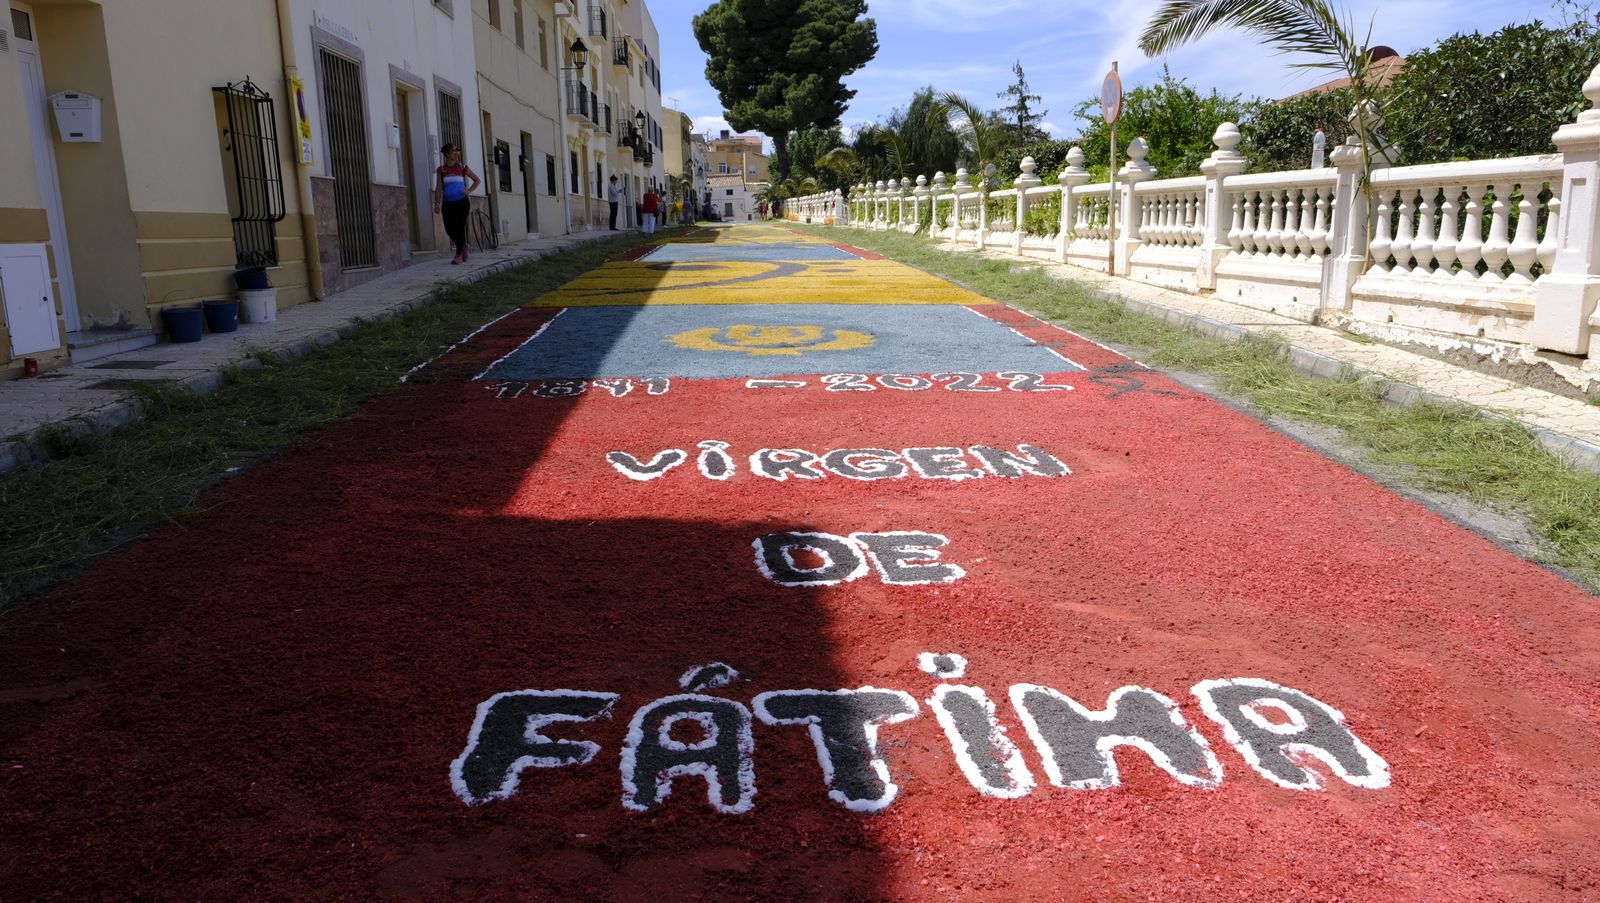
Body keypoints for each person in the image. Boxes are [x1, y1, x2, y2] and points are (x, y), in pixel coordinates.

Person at [433, 144, 481, 264]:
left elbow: (477, 180)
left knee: (459, 228)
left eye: (457, 151)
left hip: (462, 202)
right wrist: (437, 203)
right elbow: (439, 187)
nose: (456, 153)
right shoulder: (441, 170)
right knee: (449, 229)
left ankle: (458, 254)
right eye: (454, 151)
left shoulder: (462, 167)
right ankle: (463, 244)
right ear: (447, 154)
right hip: (448, 203)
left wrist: (468, 191)